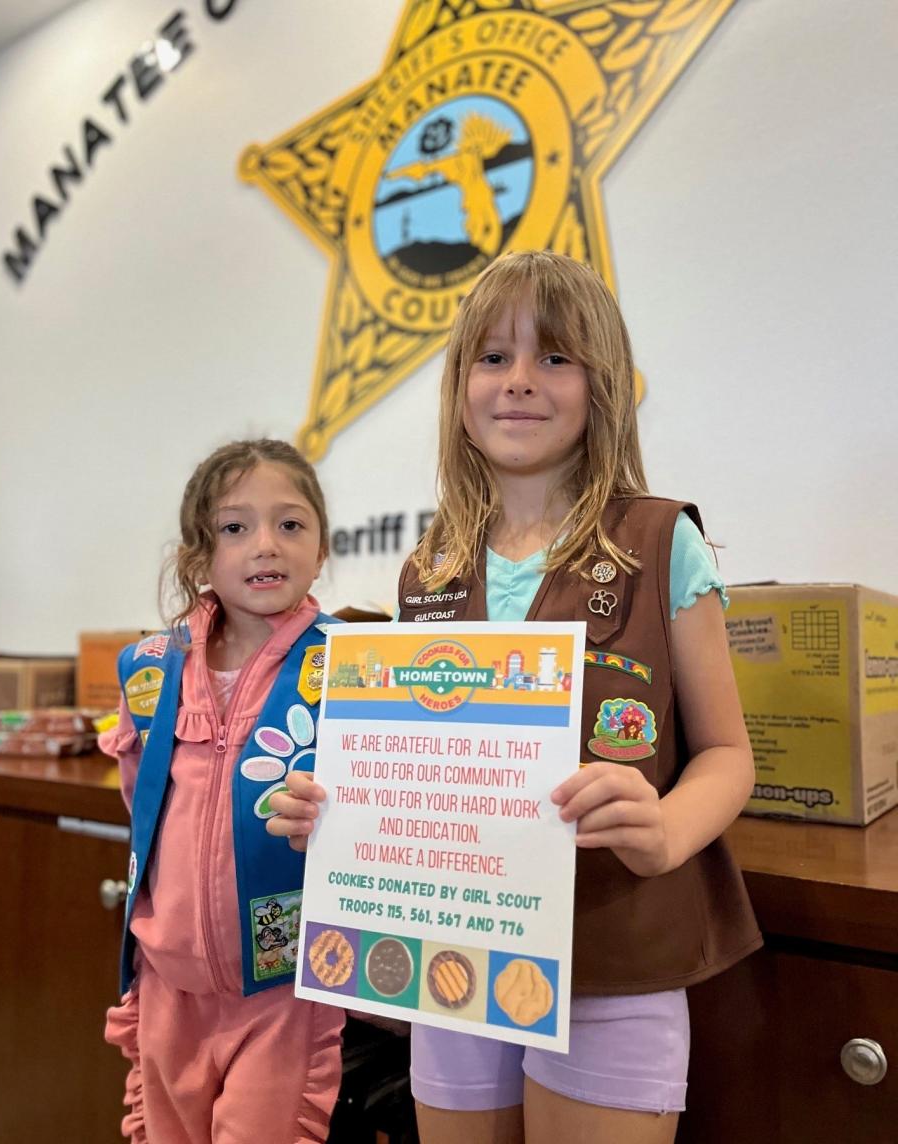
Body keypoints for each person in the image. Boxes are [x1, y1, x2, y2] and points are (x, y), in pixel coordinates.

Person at [268, 251, 762, 1144]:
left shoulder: (661, 543)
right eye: (493, 359)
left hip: (615, 952)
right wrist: (341, 813)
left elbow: (729, 753)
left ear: (601, 382)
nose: (520, 383)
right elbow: (423, 761)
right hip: (453, 955)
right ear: (460, 386)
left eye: (556, 358)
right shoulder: (428, 569)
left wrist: (669, 829)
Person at [101, 439, 345, 1144]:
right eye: (235, 527)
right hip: (167, 982)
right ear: (198, 557)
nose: (265, 545)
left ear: (322, 546)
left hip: (281, 986)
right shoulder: (149, 669)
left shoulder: (350, 667)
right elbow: (140, 804)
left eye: (291, 525)